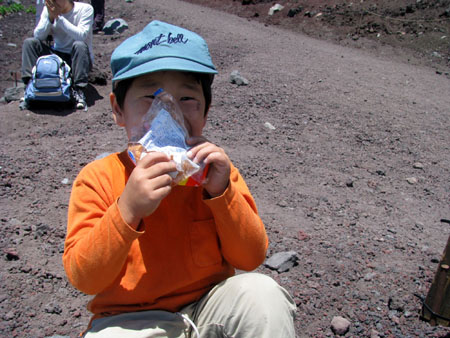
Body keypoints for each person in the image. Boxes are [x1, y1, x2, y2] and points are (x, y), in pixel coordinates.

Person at [63, 20, 296, 337]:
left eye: (186, 99)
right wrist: (128, 209)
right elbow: (84, 278)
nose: (167, 112)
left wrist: (221, 194)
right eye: (150, 96)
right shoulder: (99, 178)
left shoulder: (216, 174)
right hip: (129, 320)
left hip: (208, 308)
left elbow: (251, 257)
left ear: (206, 111)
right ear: (118, 110)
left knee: (262, 295)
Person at [21, 0, 94, 109]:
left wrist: (59, 18)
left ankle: (79, 90)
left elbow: (81, 35)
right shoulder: (49, 11)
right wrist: (50, 19)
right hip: (57, 55)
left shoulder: (85, 9)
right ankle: (29, 86)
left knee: (79, 45)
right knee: (30, 43)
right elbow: (38, 36)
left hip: (77, 58)